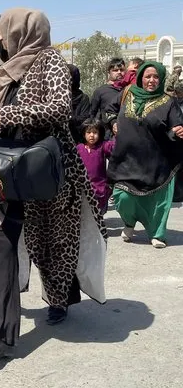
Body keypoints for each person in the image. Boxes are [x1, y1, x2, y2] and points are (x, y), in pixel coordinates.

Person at [0, 8, 106, 356]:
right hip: (4, 168)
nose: (0, 37)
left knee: (52, 243)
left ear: (22, 29)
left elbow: (60, 109)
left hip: (47, 169)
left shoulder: (51, 61)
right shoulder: (5, 71)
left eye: (2, 30)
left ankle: (60, 298)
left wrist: (4, 113)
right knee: (1, 243)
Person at [108, 62, 183, 249]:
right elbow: (109, 109)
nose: (151, 80)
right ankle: (129, 223)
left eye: (156, 77)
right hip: (126, 159)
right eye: (148, 76)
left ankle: (157, 234)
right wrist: (111, 122)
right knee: (121, 196)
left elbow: (176, 125)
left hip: (156, 162)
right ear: (141, 76)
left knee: (158, 200)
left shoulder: (168, 101)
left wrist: (178, 131)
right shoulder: (127, 93)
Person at [76, 119, 115, 213]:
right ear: (83, 134)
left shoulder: (103, 146)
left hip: (100, 188)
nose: (92, 135)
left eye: (95, 132)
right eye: (88, 132)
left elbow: (115, 146)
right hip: (82, 189)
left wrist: (117, 134)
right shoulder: (78, 148)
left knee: (99, 215)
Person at [67, 64, 91, 143]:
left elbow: (84, 117)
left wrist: (69, 119)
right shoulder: (58, 97)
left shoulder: (83, 98)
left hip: (77, 138)